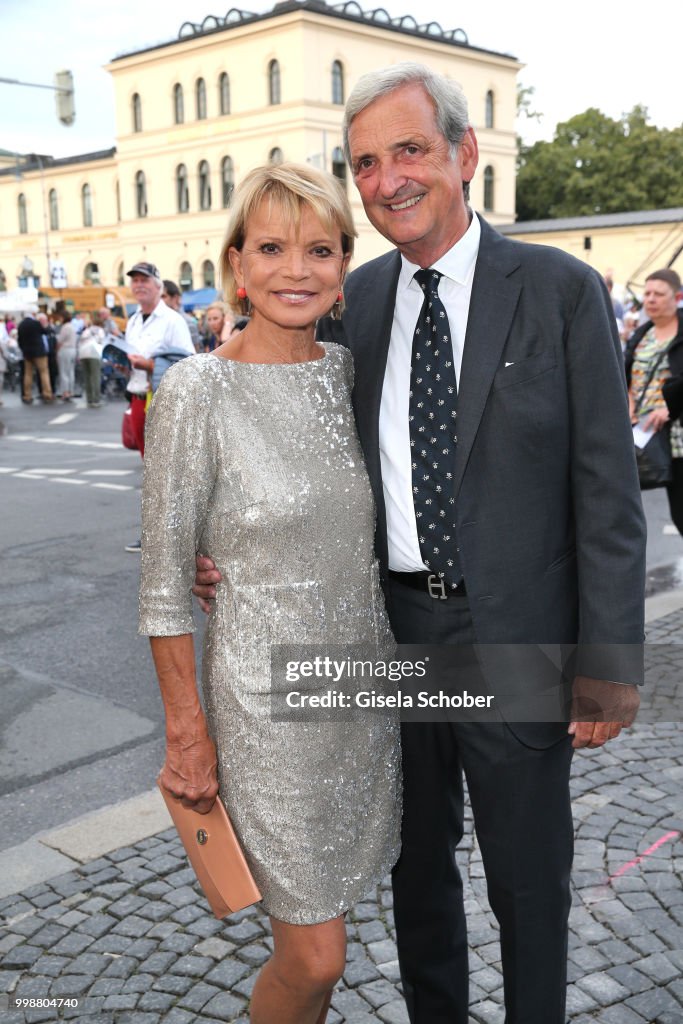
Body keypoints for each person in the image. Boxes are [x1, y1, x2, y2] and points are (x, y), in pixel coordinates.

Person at [194, 63, 646, 1024]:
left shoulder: (560, 290)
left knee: (529, 875)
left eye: (408, 150)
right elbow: (290, 445)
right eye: (365, 162)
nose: (387, 178)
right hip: (392, 630)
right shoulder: (350, 302)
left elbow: (607, 496)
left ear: (463, 153)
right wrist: (223, 548)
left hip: (519, 635)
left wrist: (607, 664)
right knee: (417, 869)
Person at [139, 162, 401, 1024]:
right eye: (271, 248)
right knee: (315, 956)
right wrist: (187, 735)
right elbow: (164, 584)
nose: (297, 269)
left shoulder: (348, 373)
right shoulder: (196, 389)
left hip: (360, 696)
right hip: (263, 709)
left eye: (319, 250)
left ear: (344, 265)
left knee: (335, 927)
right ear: (236, 265)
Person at [123, 262, 195, 553]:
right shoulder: (133, 320)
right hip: (138, 396)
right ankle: (157, 532)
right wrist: (124, 366)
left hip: (162, 401)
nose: (139, 285)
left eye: (144, 280)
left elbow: (188, 363)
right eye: (135, 281)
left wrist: (149, 365)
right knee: (151, 470)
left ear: (158, 286)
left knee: (165, 471)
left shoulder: (172, 320)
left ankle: (171, 534)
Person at [625, 268, 683, 536]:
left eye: (659, 294)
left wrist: (668, 407)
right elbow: (625, 375)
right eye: (647, 293)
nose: (650, 299)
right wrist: (629, 404)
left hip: (678, 436)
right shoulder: (642, 335)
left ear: (678, 297)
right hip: (646, 434)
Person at [18, 308, 54, 404]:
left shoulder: (21, 325)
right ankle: (47, 393)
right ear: (33, 314)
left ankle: (27, 395)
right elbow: (45, 331)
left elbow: (19, 340)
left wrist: (24, 349)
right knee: (44, 372)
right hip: (39, 352)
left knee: (28, 374)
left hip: (27, 353)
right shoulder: (36, 323)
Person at [161, 278, 202, 351]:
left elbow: (195, 351)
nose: (160, 300)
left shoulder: (187, 322)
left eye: (163, 296)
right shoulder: (157, 319)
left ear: (175, 298)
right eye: (158, 297)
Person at [79, 311, 106, 408]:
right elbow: (102, 342)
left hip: (83, 354)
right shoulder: (100, 330)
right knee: (95, 377)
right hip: (94, 354)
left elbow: (81, 340)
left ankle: (89, 399)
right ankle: (96, 399)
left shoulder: (87, 330)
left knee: (87, 377)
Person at [56, 314, 77, 401]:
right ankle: (71, 390)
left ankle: (65, 392)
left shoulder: (65, 327)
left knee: (64, 371)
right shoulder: (72, 326)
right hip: (73, 349)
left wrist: (56, 350)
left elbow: (60, 340)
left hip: (65, 349)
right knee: (70, 371)